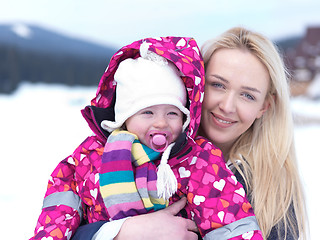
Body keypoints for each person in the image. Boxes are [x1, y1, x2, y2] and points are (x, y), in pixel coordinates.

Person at [71, 27, 309, 240]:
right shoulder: (121, 153)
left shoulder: (272, 191)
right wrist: (123, 232)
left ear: (264, 107)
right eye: (218, 85)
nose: (227, 105)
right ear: (194, 85)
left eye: (247, 95)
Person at [29, 36, 263, 240]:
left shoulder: (198, 160)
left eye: (172, 113)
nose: (160, 122)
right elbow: (56, 216)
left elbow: (229, 222)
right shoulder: (89, 158)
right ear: (124, 118)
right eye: (147, 112)